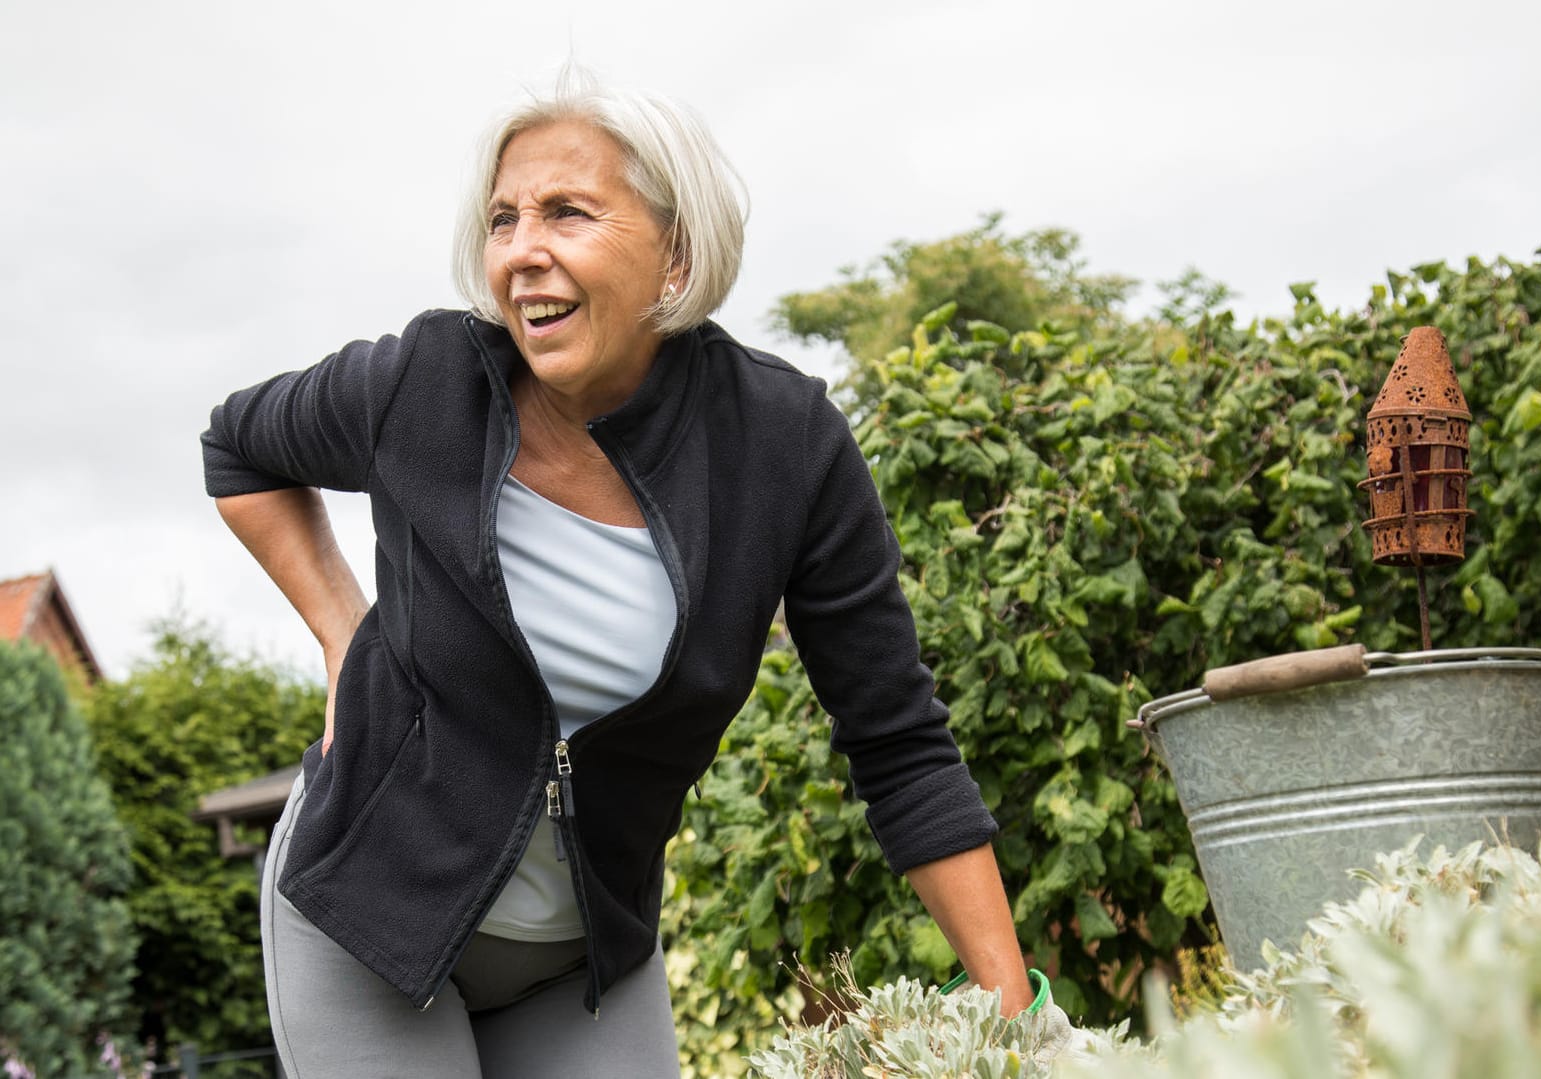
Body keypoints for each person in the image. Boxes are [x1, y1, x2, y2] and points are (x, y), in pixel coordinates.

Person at [202, 72, 1036, 1077]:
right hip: (365, 920)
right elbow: (237, 446)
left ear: (674, 253)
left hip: (584, 958)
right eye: (503, 218)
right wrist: (344, 630)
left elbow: (897, 740)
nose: (520, 251)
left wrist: (1009, 1010)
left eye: (567, 212)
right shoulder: (420, 386)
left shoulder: (782, 446)